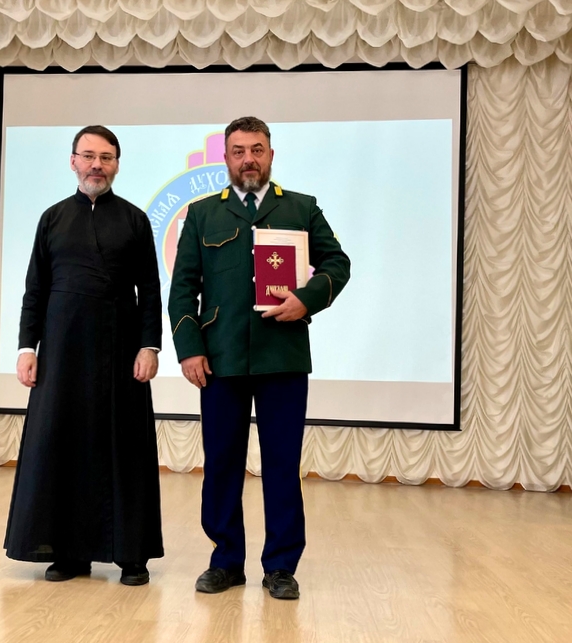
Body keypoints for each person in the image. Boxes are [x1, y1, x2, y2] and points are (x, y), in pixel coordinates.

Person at [168, 116, 351, 600]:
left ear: (271, 154)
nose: (248, 159)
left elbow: (338, 263)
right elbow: (183, 289)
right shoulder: (202, 214)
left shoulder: (301, 208)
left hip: (283, 357)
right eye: (238, 151)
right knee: (221, 464)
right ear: (226, 158)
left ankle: (281, 567)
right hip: (220, 358)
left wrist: (306, 300)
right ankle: (226, 561)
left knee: (282, 465)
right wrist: (189, 350)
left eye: (257, 149)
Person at [4, 125, 164, 586]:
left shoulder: (134, 220)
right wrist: (27, 348)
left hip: (121, 350)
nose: (97, 165)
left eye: (106, 157)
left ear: (116, 165)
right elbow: (35, 290)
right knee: (62, 445)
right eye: (89, 156)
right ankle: (69, 552)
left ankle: (131, 554)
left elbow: (150, 291)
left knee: (125, 448)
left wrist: (149, 346)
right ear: (73, 161)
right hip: (62, 352)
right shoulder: (52, 218)